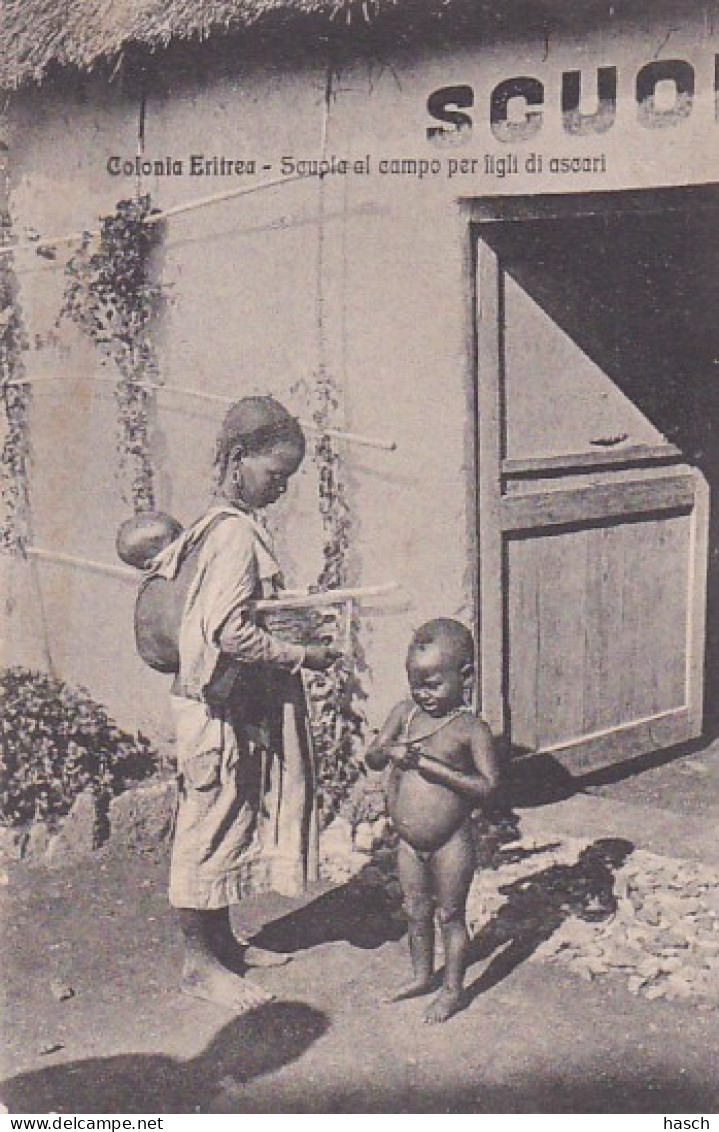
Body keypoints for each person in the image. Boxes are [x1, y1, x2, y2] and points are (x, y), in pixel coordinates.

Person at [150, 395, 341, 1012]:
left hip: (225, 707)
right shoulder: (232, 535)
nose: (281, 488)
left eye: (288, 478)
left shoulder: (219, 523)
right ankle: (197, 965)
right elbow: (228, 632)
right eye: (274, 474)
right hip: (212, 712)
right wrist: (298, 655)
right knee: (204, 830)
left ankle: (225, 943)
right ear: (238, 459)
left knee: (227, 819)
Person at [365, 618, 500, 1023]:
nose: (423, 694)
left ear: (465, 677)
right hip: (409, 843)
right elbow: (372, 756)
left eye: (433, 684)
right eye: (415, 683)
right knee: (415, 910)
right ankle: (422, 976)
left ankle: (453, 990)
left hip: (451, 842)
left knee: (449, 915)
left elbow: (488, 787)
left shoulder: (470, 729)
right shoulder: (405, 715)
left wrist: (429, 766)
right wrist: (389, 751)